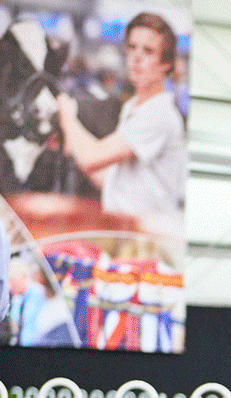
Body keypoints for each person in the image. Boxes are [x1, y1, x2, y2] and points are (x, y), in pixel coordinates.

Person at [56, 12, 186, 241]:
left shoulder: (159, 113)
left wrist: (67, 116)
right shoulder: (133, 108)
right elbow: (117, 182)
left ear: (166, 64)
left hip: (149, 242)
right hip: (126, 233)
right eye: (132, 48)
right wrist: (73, 144)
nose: (136, 57)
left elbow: (91, 157)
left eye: (148, 51)